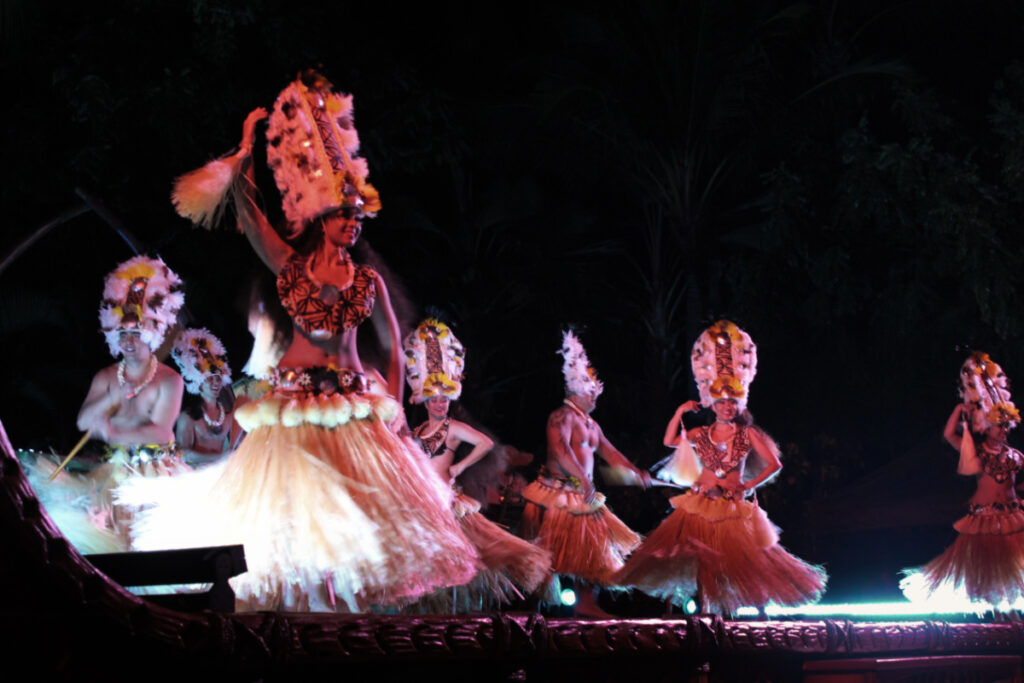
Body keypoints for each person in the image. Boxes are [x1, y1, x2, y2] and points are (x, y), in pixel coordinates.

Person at [122, 71, 478, 612]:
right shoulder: (289, 266)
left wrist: (401, 407)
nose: (355, 224)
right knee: (299, 523)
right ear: (322, 218)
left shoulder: (368, 280)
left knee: (353, 525)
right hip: (292, 407)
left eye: (359, 215)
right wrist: (244, 153)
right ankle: (302, 631)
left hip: (352, 406)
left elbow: (396, 346)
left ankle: (341, 631)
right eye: (345, 215)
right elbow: (250, 213)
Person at [614, 320, 826, 616]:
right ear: (712, 404)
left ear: (739, 405)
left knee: (747, 561)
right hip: (701, 503)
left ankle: (756, 616)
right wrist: (680, 412)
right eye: (721, 402)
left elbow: (774, 463)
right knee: (704, 560)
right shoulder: (700, 434)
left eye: (732, 402)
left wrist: (748, 485)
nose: (727, 406)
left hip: (732, 505)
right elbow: (670, 440)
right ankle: (706, 613)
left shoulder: (747, 434)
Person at [34, 255, 187, 552]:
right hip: (116, 470)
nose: (129, 340)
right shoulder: (105, 376)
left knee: (154, 543)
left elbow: (159, 431)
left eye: (135, 332)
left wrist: (112, 432)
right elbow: (83, 421)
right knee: (116, 540)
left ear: (151, 333)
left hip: (158, 472)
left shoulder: (170, 380)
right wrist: (111, 398)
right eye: (123, 333)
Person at [405, 318, 550, 610]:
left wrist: (459, 467)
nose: (440, 404)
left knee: (456, 558)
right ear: (425, 401)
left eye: (445, 400)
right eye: (434, 400)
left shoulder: (454, 427)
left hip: (447, 500)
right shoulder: (418, 433)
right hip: (424, 499)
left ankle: (451, 613)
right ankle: (426, 610)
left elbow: (486, 443)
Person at [521, 330, 651, 618]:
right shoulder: (561, 417)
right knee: (548, 554)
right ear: (577, 389)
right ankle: (534, 608)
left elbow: (609, 452)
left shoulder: (592, 425)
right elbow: (560, 451)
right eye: (591, 390)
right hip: (556, 492)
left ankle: (585, 601)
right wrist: (583, 477)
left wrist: (634, 471)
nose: (595, 395)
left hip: (581, 491)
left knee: (593, 550)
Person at [901, 352, 1024, 611]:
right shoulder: (976, 454)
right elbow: (948, 434)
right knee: (990, 575)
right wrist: (960, 409)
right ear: (986, 426)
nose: (1002, 430)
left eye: (1006, 426)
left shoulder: (1016, 456)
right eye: (998, 426)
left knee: (1014, 576)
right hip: (984, 520)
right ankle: (997, 620)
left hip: (1013, 519)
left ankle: (1012, 619)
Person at [170, 328, 242, 465]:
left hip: (223, 472)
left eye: (218, 378)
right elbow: (183, 454)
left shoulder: (227, 415)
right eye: (209, 379)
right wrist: (221, 457)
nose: (215, 383)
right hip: (198, 477)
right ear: (198, 383)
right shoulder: (188, 417)